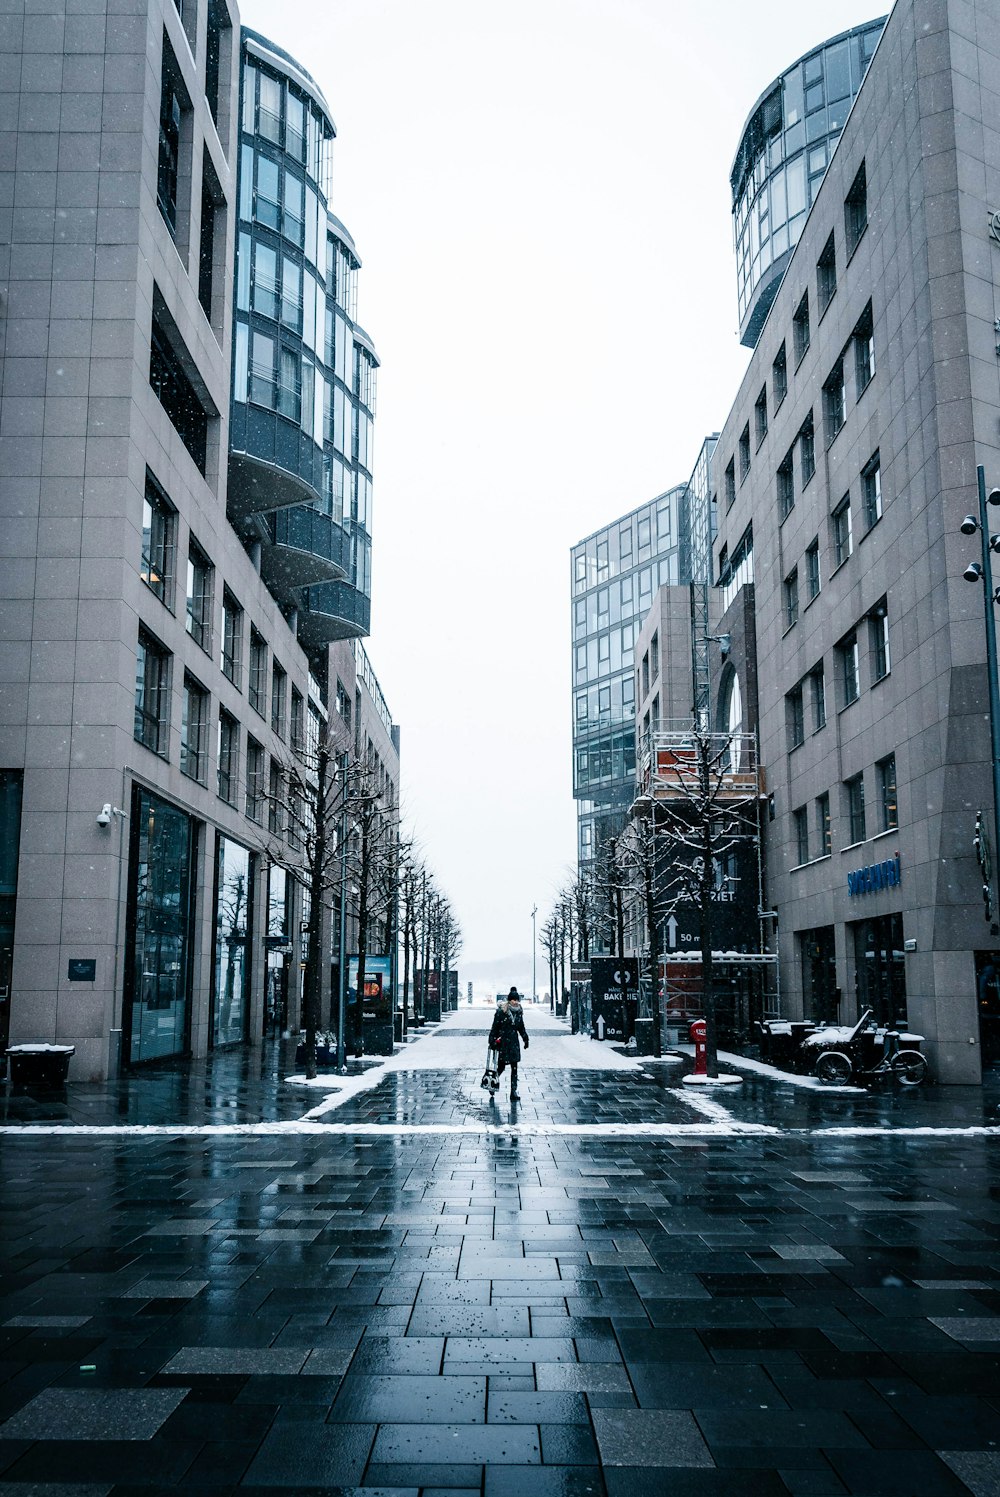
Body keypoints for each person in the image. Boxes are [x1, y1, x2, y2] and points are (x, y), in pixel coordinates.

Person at [489, 985, 529, 1100]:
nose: (515, 1002)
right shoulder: (501, 1012)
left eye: (517, 1000)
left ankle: (513, 1092)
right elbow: (495, 1027)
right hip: (503, 1043)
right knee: (501, 1067)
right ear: (509, 1000)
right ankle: (492, 1084)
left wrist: (525, 1039)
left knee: (514, 1068)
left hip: (514, 1043)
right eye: (513, 1000)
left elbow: (521, 1027)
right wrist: (492, 1040)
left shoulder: (519, 1012)